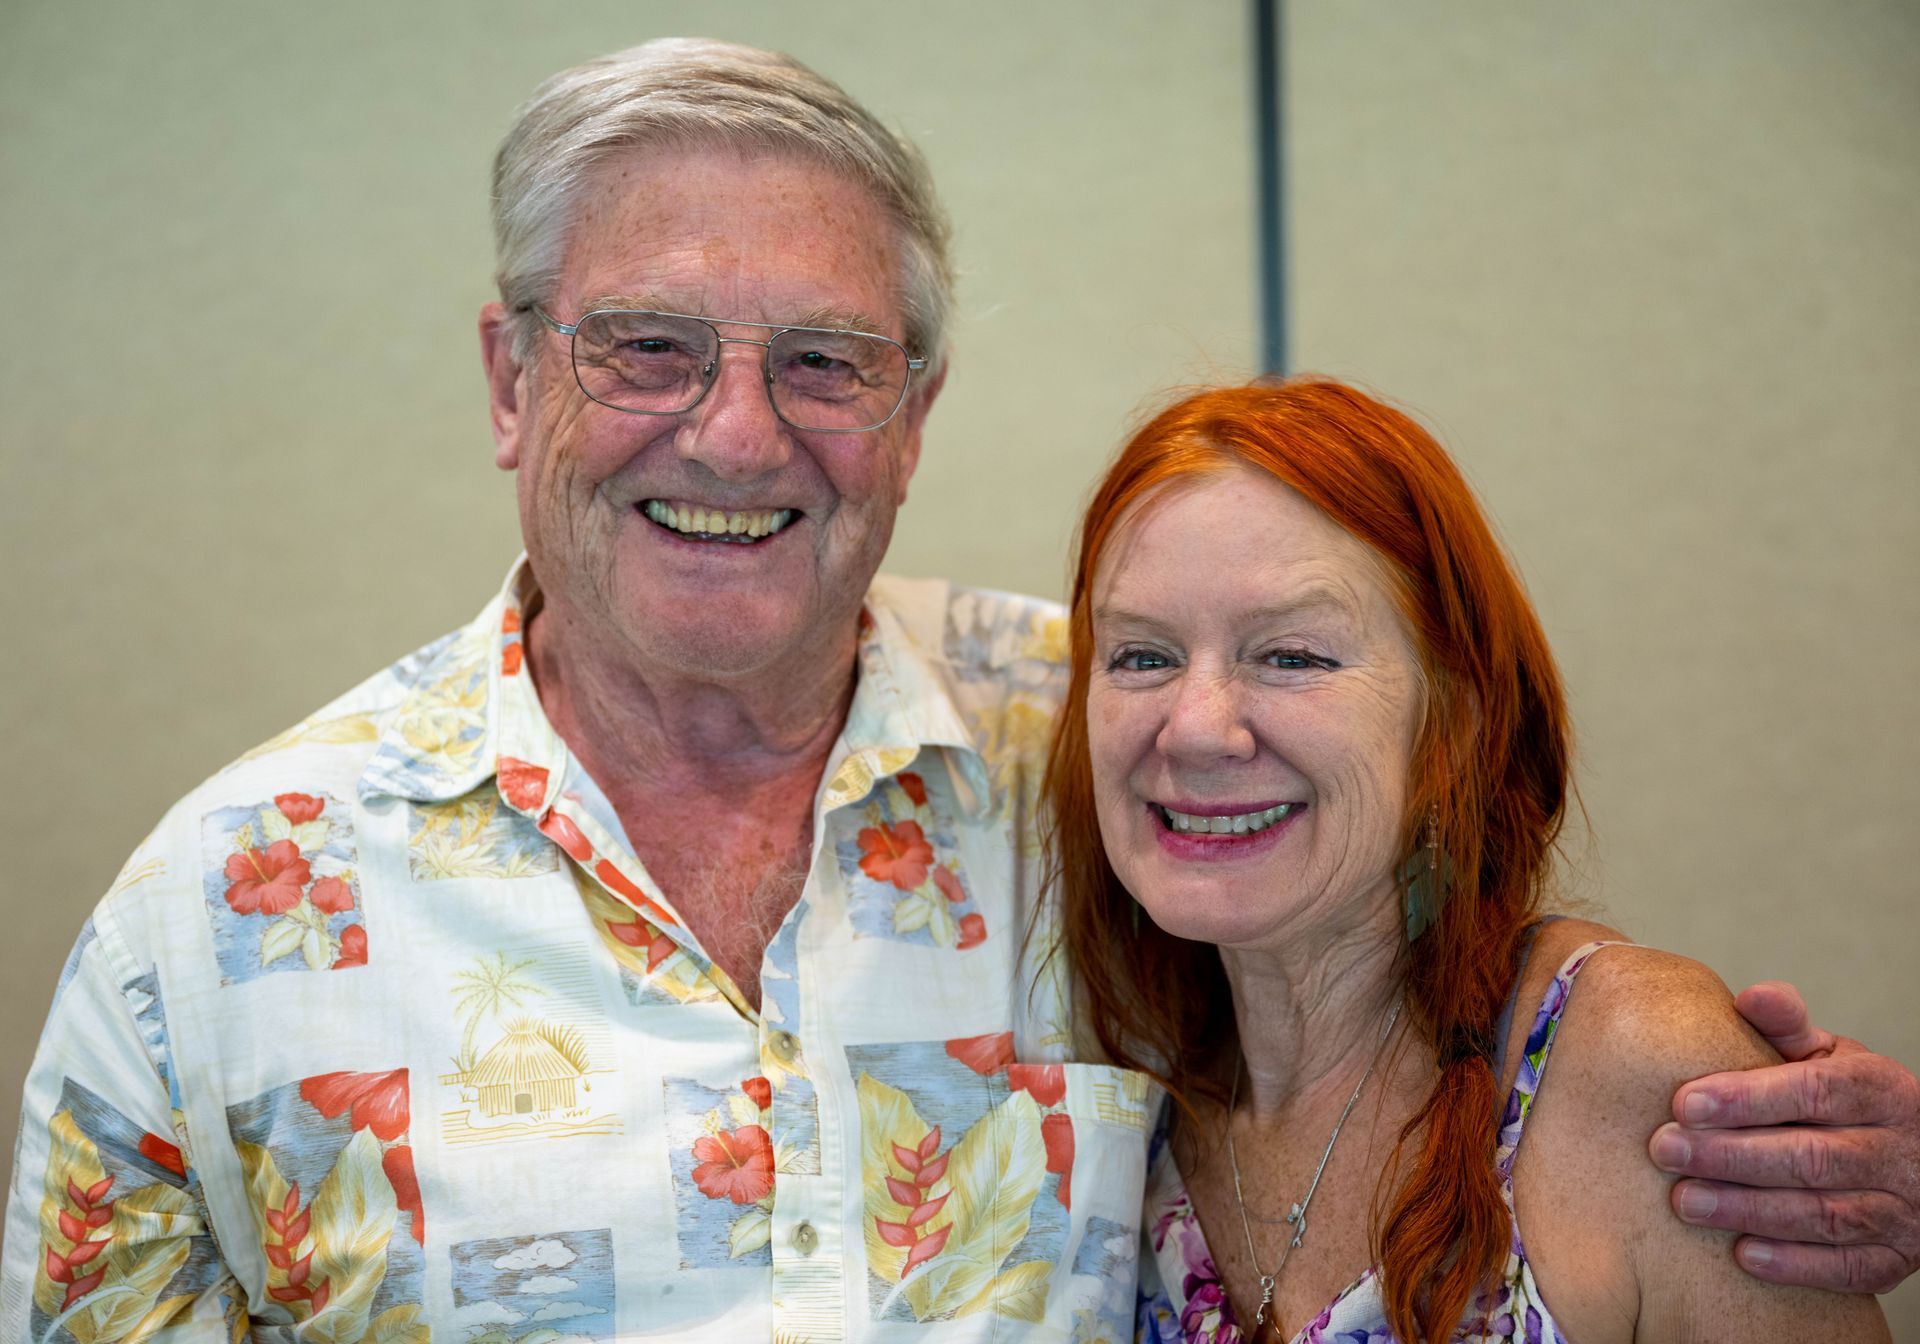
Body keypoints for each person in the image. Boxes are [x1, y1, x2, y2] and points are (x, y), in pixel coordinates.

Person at [0, 38, 1913, 1343]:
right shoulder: (218, 922)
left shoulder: (1106, 743)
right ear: (513, 382)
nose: (737, 432)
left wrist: (1737, 1103)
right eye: (647, 345)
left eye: (826, 361)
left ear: (914, 414)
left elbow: (1409, 909)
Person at [1045, 378, 1892, 1341]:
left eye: (1292, 656)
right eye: (1141, 657)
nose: (1195, 729)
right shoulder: (1129, 1130)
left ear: (1457, 711)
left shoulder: (1636, 1070)